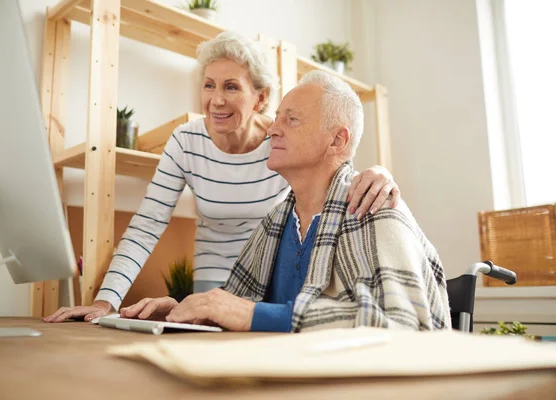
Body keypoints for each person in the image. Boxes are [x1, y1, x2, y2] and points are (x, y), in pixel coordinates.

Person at [43, 32, 401, 324]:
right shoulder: (187, 141)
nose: (216, 100)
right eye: (209, 85)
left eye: (231, 87)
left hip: (273, 278)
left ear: (260, 98)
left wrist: (378, 171)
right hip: (219, 277)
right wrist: (106, 302)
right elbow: (146, 225)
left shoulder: (280, 145)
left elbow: (332, 164)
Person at [123, 70, 451, 332]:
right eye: (276, 118)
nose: (272, 131)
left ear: (337, 139)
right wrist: (182, 310)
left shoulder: (376, 208)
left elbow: (403, 327)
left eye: (291, 120)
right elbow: (231, 306)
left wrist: (259, 316)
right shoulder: (274, 223)